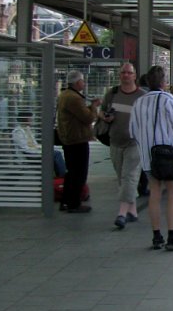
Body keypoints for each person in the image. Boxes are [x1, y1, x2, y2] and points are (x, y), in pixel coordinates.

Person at [129, 65, 173, 251]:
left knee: (154, 193)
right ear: (163, 82)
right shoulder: (167, 98)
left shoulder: (138, 102)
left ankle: (156, 236)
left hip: (148, 156)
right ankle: (172, 235)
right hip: (168, 155)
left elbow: (132, 131)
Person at [101, 63, 146, 230]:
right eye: (123, 73)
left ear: (134, 76)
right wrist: (105, 117)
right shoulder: (112, 94)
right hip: (115, 141)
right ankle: (132, 211)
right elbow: (101, 111)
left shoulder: (142, 96)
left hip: (135, 143)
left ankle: (122, 213)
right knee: (122, 177)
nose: (126, 75)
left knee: (129, 176)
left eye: (129, 73)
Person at [56, 70, 101, 212]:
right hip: (77, 139)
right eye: (82, 80)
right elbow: (88, 118)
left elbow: (77, 114)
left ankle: (66, 201)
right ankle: (74, 203)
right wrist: (94, 106)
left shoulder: (65, 95)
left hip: (69, 139)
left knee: (71, 172)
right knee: (79, 173)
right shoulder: (74, 98)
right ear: (77, 82)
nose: (84, 83)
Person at [12, 111, 66, 177]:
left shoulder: (27, 129)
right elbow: (25, 149)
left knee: (60, 149)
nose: (32, 120)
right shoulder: (18, 132)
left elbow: (35, 144)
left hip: (35, 150)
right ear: (24, 119)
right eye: (30, 118)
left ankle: (58, 173)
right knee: (56, 153)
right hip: (30, 154)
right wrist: (40, 151)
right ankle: (62, 174)